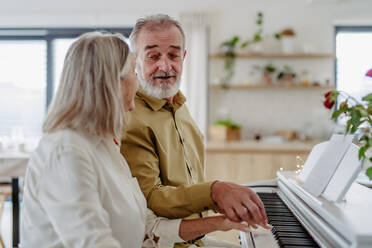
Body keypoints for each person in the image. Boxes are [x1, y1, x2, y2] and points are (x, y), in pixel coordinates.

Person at [21, 31, 252, 248]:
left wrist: (221, 223)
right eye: (134, 71)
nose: (139, 82)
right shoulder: (66, 152)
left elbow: (148, 227)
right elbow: (93, 242)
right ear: (112, 82)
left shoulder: (107, 146)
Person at [121, 14, 271, 247]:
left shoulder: (180, 106)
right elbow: (151, 197)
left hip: (195, 240)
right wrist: (214, 192)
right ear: (135, 61)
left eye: (173, 55)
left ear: (184, 57)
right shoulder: (132, 118)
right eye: (153, 56)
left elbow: (189, 181)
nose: (165, 66)